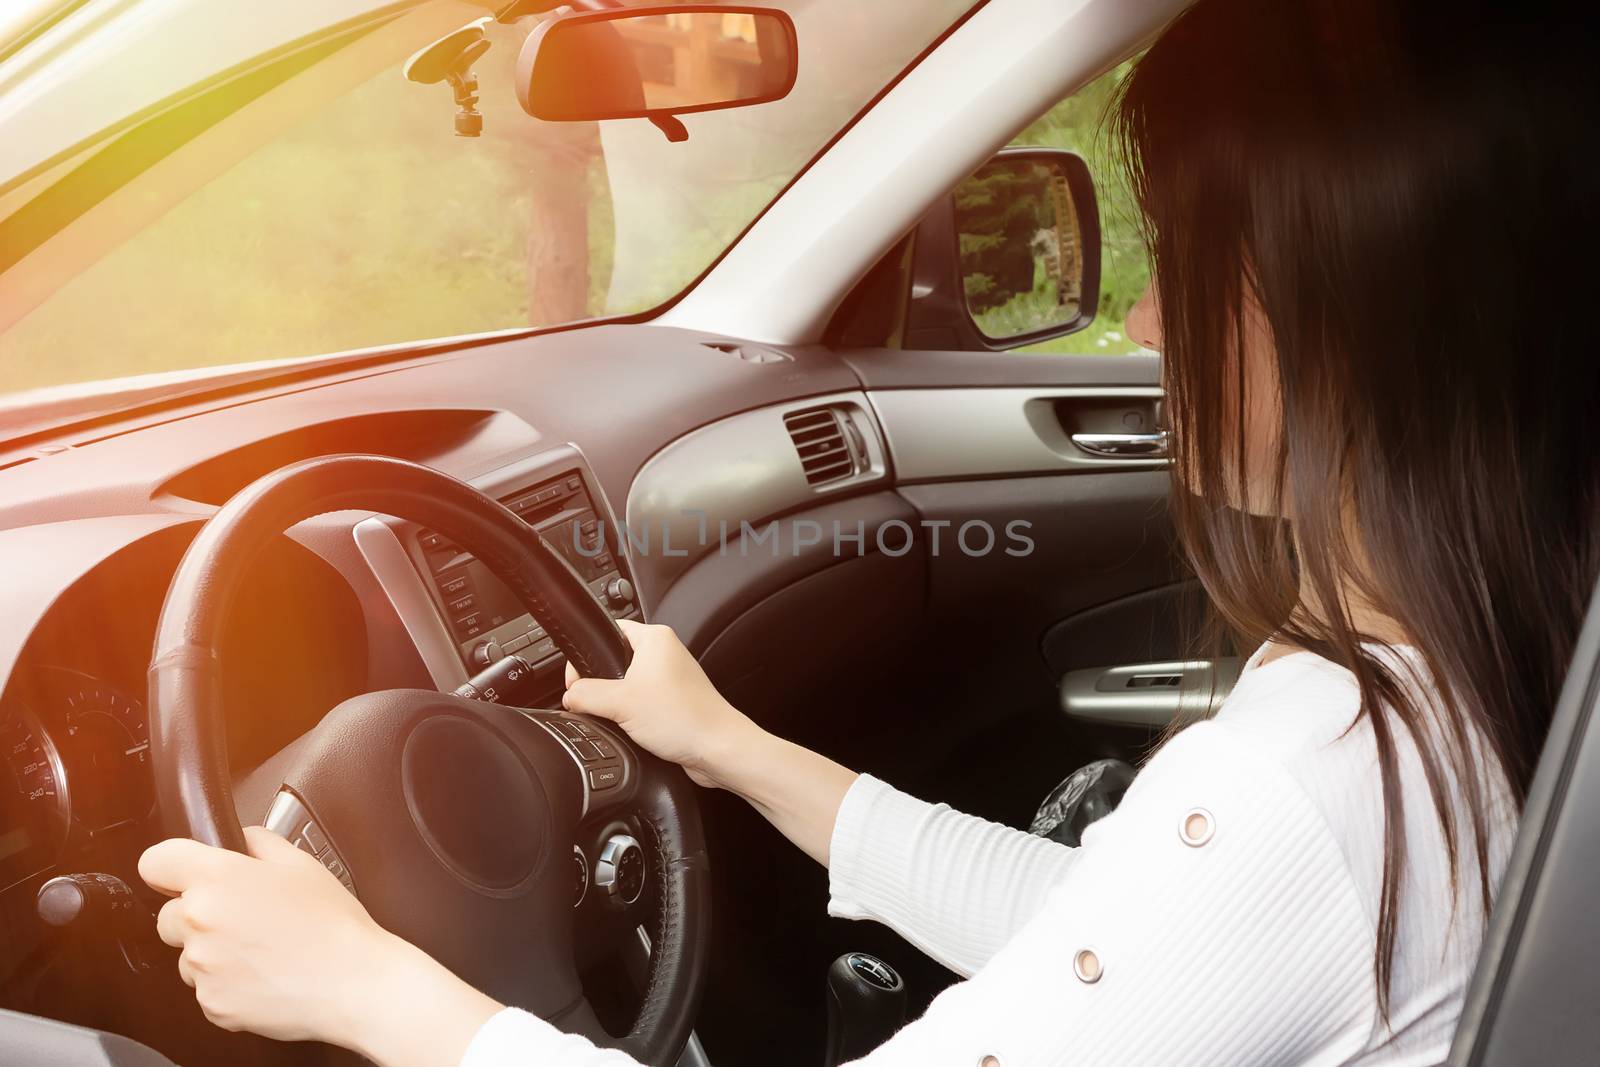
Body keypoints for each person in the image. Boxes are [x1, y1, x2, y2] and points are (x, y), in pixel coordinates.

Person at [136, 0, 1600, 1064]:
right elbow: (1104, 921)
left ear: (1366, 327)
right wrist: (737, 752)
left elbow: (1197, 897)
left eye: (1193, 267)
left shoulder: (1318, 779)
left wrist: (370, 993)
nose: (1146, 322)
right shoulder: (1476, 674)